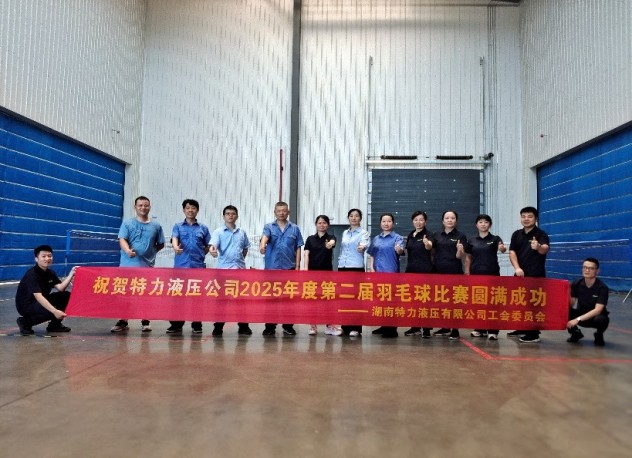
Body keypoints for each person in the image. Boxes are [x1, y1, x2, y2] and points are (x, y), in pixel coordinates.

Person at [110, 196, 165, 333]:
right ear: (135, 207)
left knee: (145, 294)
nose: (143, 208)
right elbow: (122, 239)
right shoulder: (127, 223)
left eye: (146, 205)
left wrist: (150, 253)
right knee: (125, 294)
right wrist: (127, 250)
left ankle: (145, 321)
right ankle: (123, 321)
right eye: (140, 205)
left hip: (146, 267)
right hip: (127, 266)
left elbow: (161, 244)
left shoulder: (156, 226)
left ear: (149, 207)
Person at [259, 201, 304, 336]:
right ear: (275, 212)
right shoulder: (269, 227)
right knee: (271, 299)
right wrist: (262, 246)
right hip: (272, 269)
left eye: (284, 210)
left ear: (288, 212)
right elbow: (265, 237)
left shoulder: (294, 228)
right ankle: (270, 327)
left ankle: (288, 326)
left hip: (289, 268)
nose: (281, 213)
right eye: (279, 211)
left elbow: (298, 247)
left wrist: (297, 266)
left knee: (289, 299)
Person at [166, 199, 211, 335]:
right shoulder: (178, 226)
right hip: (181, 267)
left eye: (193, 208)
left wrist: (201, 254)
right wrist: (175, 247)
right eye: (187, 208)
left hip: (198, 268)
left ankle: (197, 325)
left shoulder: (203, 228)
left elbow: (208, 245)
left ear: (197, 210)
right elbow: (174, 238)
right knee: (178, 297)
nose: (190, 210)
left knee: (196, 297)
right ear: (184, 210)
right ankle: (176, 324)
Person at [507, 206, 549, 343]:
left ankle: (533, 333)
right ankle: (521, 327)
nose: (526, 219)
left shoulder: (541, 234)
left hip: (535, 275)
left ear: (536, 219)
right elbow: (512, 252)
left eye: (530, 216)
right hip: (520, 274)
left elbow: (545, 249)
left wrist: (538, 247)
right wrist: (517, 268)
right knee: (519, 302)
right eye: (523, 216)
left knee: (533, 304)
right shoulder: (516, 234)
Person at [209, 205, 252, 336]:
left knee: (241, 301)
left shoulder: (242, 232)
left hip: (239, 271)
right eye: (227, 214)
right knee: (222, 301)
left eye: (233, 214)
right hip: (223, 272)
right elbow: (213, 246)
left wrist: (239, 261)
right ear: (224, 216)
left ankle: (243, 327)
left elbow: (245, 248)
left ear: (237, 216)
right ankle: (218, 327)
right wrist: (212, 250)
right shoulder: (218, 232)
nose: (230, 216)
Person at [15, 245, 77, 335]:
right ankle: (25, 322)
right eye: (43, 256)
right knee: (50, 311)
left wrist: (71, 274)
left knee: (65, 295)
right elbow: (38, 297)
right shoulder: (32, 275)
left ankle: (54, 325)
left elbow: (61, 288)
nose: (47, 259)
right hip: (26, 305)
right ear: (36, 259)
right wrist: (55, 311)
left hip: (39, 302)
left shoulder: (50, 273)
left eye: (49, 256)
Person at [464, 214, 506, 340]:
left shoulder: (495, 239)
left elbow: (503, 249)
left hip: (492, 274)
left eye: (486, 222)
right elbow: (468, 257)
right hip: (476, 274)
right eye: (480, 222)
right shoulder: (472, 240)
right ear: (476, 225)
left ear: (490, 225)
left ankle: (493, 330)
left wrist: (502, 248)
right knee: (478, 302)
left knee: (492, 303)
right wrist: (467, 272)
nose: (483, 224)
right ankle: (479, 328)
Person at [431, 210, 467, 340]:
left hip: (454, 272)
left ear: (456, 221)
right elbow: (431, 251)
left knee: (454, 301)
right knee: (442, 300)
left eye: (452, 218)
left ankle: (455, 329)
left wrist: (459, 250)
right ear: (443, 221)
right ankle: (445, 326)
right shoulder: (436, 235)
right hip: (438, 271)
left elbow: (460, 256)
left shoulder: (460, 235)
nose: (450, 220)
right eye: (447, 218)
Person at [303, 215, 342, 336]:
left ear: (328, 225)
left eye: (324, 223)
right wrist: (305, 269)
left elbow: (332, 242)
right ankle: (312, 326)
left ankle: (329, 326)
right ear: (316, 224)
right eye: (319, 223)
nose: (322, 225)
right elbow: (306, 254)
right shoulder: (310, 239)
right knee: (312, 300)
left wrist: (330, 244)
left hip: (327, 275)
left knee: (327, 300)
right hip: (312, 274)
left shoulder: (331, 237)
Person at [368, 213, 404, 338]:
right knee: (381, 301)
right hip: (378, 273)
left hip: (391, 273)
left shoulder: (397, 238)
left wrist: (399, 249)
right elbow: (371, 254)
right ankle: (384, 325)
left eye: (389, 221)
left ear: (393, 223)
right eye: (384, 221)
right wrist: (371, 268)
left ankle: (392, 329)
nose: (386, 223)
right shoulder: (376, 238)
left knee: (391, 301)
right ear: (380, 223)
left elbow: (400, 251)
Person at [337, 208, 370, 337]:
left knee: (356, 298)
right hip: (343, 267)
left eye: (356, 216)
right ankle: (345, 326)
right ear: (348, 218)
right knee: (344, 297)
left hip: (355, 267)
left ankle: (356, 327)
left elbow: (364, 244)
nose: (354, 218)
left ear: (360, 218)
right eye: (351, 216)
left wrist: (362, 247)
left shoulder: (363, 233)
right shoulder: (345, 232)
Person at [402, 211, 434, 338]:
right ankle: (415, 327)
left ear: (425, 221)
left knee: (424, 300)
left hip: (425, 271)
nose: (418, 222)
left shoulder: (428, 234)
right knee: (413, 300)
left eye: (421, 220)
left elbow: (429, 247)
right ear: (412, 221)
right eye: (416, 220)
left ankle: (426, 329)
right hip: (411, 270)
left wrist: (427, 243)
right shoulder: (411, 235)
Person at [567, 258, 609, 346]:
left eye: (591, 268)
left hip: (594, 318)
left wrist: (577, 319)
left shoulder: (602, 288)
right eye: (585, 267)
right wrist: (567, 295)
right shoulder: (576, 284)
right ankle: (575, 333)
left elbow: (597, 310)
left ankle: (599, 334)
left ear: (597, 271)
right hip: (581, 313)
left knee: (602, 320)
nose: (587, 270)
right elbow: (571, 303)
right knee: (564, 312)